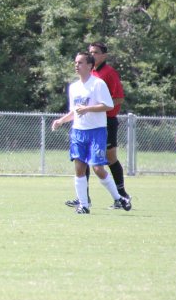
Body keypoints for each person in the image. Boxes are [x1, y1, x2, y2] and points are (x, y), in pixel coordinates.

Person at [51, 52, 131, 214]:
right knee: (79, 168)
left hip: (96, 131)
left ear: (90, 66)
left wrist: (88, 108)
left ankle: (119, 197)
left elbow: (108, 105)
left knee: (97, 168)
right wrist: (61, 120)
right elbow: (75, 111)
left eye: (80, 62)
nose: (76, 65)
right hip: (78, 132)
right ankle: (84, 205)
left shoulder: (98, 84)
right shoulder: (73, 87)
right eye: (76, 62)